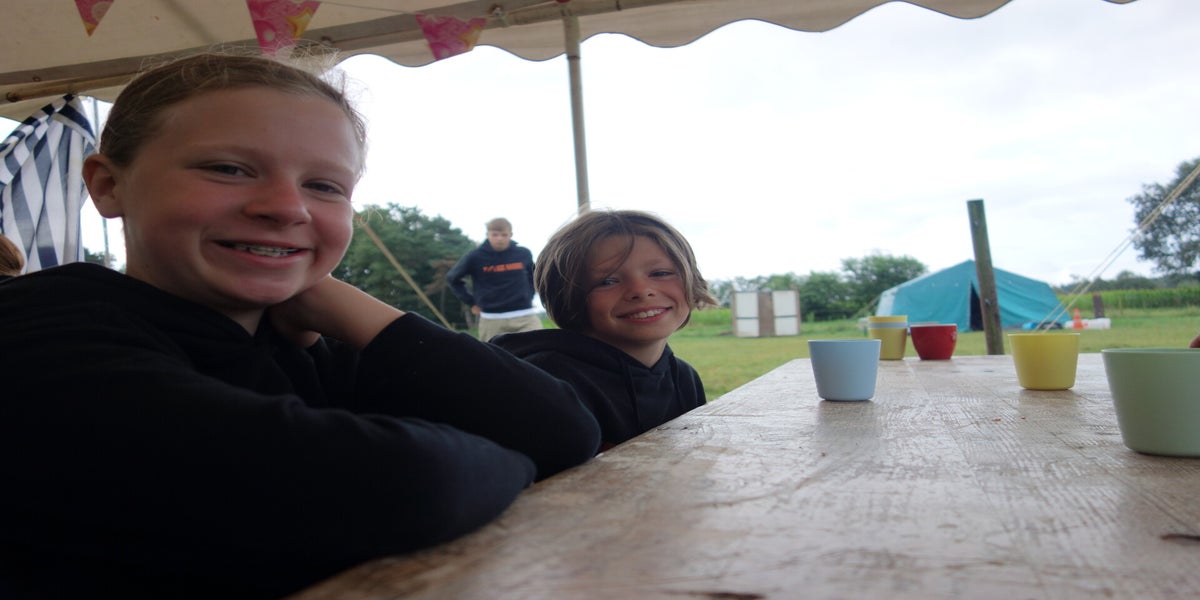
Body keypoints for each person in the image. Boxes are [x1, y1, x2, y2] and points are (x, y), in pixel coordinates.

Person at [0, 52, 600, 599]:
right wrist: (506, 459)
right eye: (228, 168)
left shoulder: (306, 344)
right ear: (108, 185)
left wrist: (350, 307)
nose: (287, 208)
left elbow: (561, 430)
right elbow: (406, 486)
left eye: (324, 186)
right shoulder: (39, 334)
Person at [493, 209, 718, 453]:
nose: (641, 290)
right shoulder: (548, 382)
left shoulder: (683, 378)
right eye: (608, 281)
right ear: (567, 297)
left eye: (660, 273)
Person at [446, 217, 542, 341]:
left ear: (510, 235)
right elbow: (452, 279)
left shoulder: (524, 253)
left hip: (525, 316)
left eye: (504, 235)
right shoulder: (474, 257)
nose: (499, 238)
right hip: (491, 319)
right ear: (488, 235)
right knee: (490, 353)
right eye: (495, 235)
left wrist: (530, 294)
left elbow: (535, 276)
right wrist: (471, 302)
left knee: (539, 348)